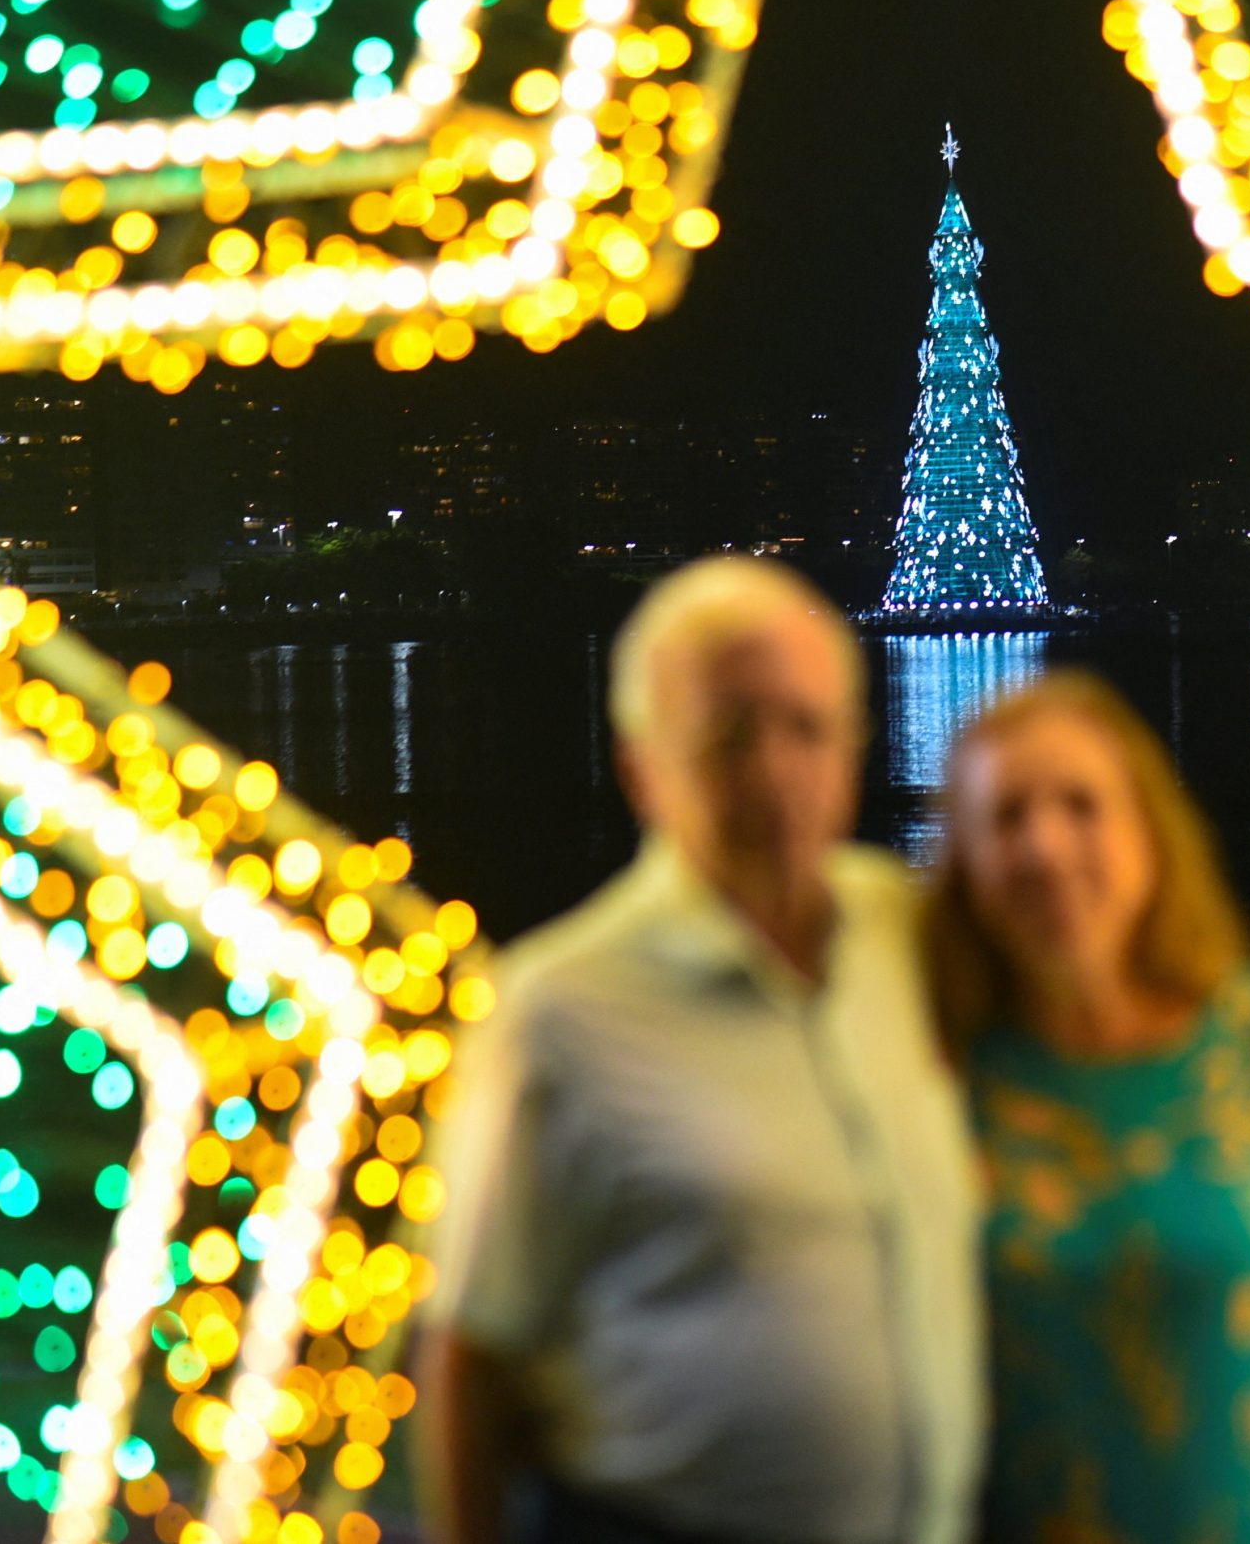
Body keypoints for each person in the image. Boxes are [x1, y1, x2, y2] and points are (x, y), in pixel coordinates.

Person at [420, 556, 984, 1544]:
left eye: (807, 729)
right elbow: (472, 1354)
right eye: (728, 737)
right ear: (643, 768)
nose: (774, 771)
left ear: (855, 747)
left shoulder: (909, 936)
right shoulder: (558, 1011)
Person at [923, 671, 1250, 1544]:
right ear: (966, 864)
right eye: (1007, 816)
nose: (1046, 848)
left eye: (1082, 805)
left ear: (1148, 836)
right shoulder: (947, 1083)